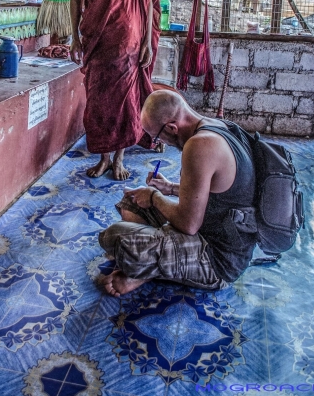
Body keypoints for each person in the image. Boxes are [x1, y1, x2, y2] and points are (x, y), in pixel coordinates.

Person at [98, 89, 258, 296]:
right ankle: (153, 259)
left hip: (218, 260)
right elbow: (216, 194)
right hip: (210, 227)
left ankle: (144, 271)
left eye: (157, 138)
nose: (160, 144)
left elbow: (188, 225)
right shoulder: (219, 126)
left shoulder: (199, 145)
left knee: (113, 237)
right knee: (132, 202)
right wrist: (171, 188)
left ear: (172, 127)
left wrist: (155, 197)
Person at [70, 0, 163, 181]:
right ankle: (104, 158)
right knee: (98, 100)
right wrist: (73, 36)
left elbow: (148, 1)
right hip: (98, 39)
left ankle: (120, 158)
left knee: (126, 101)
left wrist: (147, 41)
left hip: (130, 41)